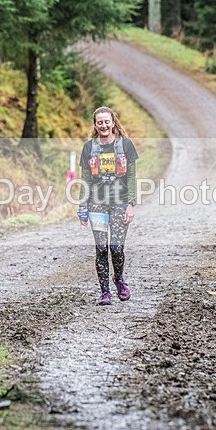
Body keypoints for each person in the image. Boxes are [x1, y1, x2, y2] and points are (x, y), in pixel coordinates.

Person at [77, 106, 138, 305]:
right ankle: (105, 292)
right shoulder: (89, 148)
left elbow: (131, 177)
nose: (103, 125)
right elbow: (85, 179)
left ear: (113, 123)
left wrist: (131, 204)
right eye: (99, 122)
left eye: (107, 121)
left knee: (117, 248)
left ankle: (119, 279)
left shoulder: (126, 145)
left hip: (120, 203)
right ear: (95, 125)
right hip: (97, 205)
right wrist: (82, 206)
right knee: (101, 247)